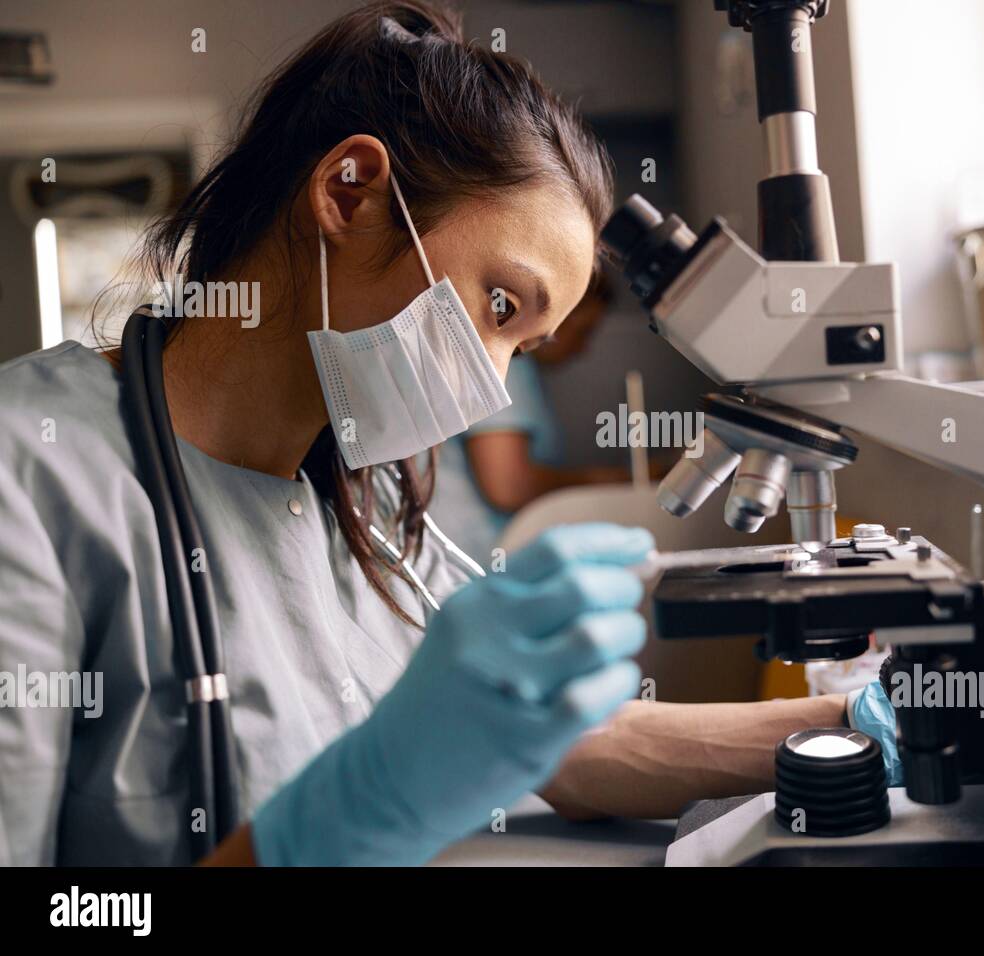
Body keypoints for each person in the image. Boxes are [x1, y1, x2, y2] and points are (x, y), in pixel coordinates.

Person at [0, 1, 890, 867]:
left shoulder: (370, 500)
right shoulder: (29, 476)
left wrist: (864, 725)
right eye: (501, 305)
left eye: (527, 345)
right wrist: (367, 801)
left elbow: (577, 746)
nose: (496, 385)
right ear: (349, 193)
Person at [431, 275, 647, 566]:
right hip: (462, 559)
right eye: (583, 331)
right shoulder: (508, 363)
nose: (583, 349)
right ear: (557, 315)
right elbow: (508, 485)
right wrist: (618, 479)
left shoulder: (523, 371)